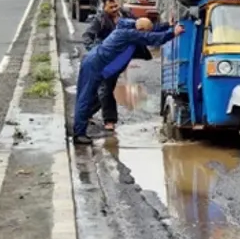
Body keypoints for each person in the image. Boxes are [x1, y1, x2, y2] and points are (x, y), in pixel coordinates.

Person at [74, 17, 182, 145]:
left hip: (98, 67)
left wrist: (167, 25)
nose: (144, 35)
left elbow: (150, 31)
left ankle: (80, 127)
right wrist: (172, 33)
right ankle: (79, 134)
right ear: (140, 30)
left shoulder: (133, 29)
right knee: (85, 98)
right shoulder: (128, 34)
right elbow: (150, 38)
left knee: (90, 98)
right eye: (143, 32)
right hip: (94, 66)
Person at [80, 0, 151, 132]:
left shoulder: (126, 16)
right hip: (105, 60)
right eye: (110, 6)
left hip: (121, 59)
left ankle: (88, 113)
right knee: (105, 87)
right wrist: (96, 51)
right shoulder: (100, 20)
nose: (114, 9)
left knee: (104, 87)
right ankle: (109, 119)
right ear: (104, 6)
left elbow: (141, 26)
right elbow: (87, 36)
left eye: (116, 6)